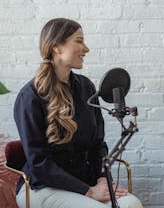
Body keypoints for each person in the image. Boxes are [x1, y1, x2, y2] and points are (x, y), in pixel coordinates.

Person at [14, 18, 143, 208]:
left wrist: (100, 178)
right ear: (57, 46)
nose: (86, 48)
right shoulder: (30, 97)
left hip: (86, 182)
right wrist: (88, 192)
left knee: (132, 204)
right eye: (79, 40)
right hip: (44, 188)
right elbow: (39, 163)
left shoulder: (86, 88)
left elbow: (98, 144)